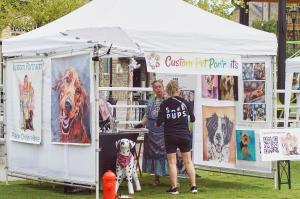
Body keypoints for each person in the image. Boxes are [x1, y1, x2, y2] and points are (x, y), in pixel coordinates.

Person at [157, 80, 197, 195]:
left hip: (170, 135)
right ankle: (193, 186)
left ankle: (174, 188)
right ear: (177, 89)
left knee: (172, 162)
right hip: (184, 135)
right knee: (188, 161)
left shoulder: (164, 104)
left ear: (168, 90)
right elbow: (193, 119)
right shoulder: (185, 102)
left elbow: (159, 122)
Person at [134, 79, 168, 185]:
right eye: (155, 87)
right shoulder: (151, 101)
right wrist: (140, 124)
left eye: (159, 87)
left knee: (164, 154)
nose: (158, 89)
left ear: (163, 87)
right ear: (153, 89)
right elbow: (147, 116)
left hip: (163, 131)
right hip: (151, 131)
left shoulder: (167, 100)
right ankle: (156, 179)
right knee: (153, 154)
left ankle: (172, 180)